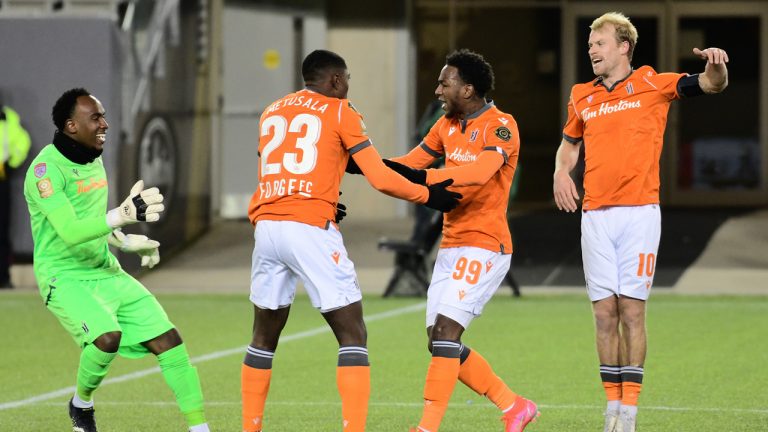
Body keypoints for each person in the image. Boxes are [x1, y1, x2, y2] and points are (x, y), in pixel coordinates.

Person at [241, 49, 461, 432]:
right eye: (347, 81)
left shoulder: (271, 111)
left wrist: (323, 194)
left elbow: (288, 166)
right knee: (352, 333)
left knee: (263, 335)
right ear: (336, 81)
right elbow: (379, 176)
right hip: (308, 228)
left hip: (267, 228)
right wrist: (430, 196)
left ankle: (250, 428)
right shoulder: (341, 110)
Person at [552, 12, 728, 432]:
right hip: (595, 215)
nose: (591, 49)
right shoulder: (581, 95)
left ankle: (629, 413)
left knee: (631, 310)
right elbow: (568, 146)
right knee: (603, 314)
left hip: (639, 214)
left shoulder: (653, 82)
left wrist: (717, 65)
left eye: (599, 43)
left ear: (624, 46)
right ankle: (610, 409)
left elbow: (710, 84)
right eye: (590, 44)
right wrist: (561, 172)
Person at [23, 88, 211, 432]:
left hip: (104, 269)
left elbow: (94, 220)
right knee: (106, 337)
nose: (104, 123)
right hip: (63, 277)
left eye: (103, 115)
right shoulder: (45, 172)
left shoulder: (93, 157)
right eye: (94, 117)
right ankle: (81, 405)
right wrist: (122, 215)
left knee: (168, 339)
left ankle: (200, 428)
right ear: (70, 125)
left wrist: (125, 241)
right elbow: (70, 230)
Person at [380, 49, 539, 432]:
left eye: (444, 83)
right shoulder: (444, 125)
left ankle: (426, 428)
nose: (437, 90)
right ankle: (514, 406)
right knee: (438, 342)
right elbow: (410, 165)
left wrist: (425, 180)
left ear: (467, 89)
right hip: (451, 246)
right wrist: (360, 162)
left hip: (486, 244)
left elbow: (480, 173)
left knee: (448, 332)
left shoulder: (501, 125)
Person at [0, 100, 31, 288]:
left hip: (1, 178)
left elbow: (22, 142)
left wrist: (12, 164)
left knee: (2, 230)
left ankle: (2, 277)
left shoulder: (7, 119)